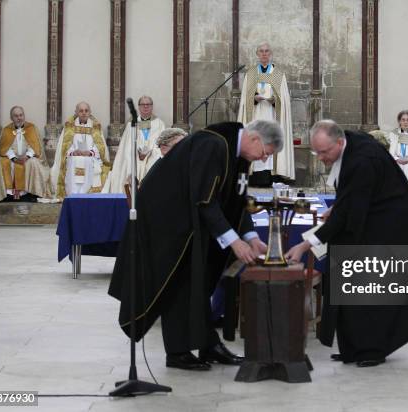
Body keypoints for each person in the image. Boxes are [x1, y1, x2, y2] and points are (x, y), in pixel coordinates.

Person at [108, 120, 283, 371]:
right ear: (255, 139)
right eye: (266, 153)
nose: (264, 160)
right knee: (178, 282)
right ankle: (178, 352)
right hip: (167, 221)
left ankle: (208, 344)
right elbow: (205, 200)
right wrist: (234, 242)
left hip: (192, 223)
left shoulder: (239, 155)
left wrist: (251, 238)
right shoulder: (212, 144)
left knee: (199, 282)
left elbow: (236, 202)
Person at [285, 120, 408, 367]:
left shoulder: (362, 160)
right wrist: (339, 206)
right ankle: (353, 347)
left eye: (324, 152)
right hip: (375, 217)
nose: (320, 158)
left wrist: (304, 246)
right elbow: (350, 198)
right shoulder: (349, 144)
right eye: (316, 152)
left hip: (391, 227)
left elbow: (346, 216)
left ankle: (371, 349)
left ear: (339, 142)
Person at [237, 42, 294, 186]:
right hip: (255, 118)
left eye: (267, 51)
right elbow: (245, 99)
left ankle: (271, 178)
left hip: (272, 116)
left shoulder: (278, 74)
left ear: (271, 54)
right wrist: (253, 99)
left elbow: (285, 101)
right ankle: (254, 177)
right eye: (261, 51)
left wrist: (275, 101)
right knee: (255, 142)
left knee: (269, 142)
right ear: (257, 54)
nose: (264, 54)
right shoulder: (250, 74)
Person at [0, 106, 50, 203]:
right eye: (16, 116)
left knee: (33, 163)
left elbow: (35, 146)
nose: (19, 118)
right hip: (11, 159)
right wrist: (14, 158)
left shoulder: (32, 128)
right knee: (2, 163)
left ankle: (32, 193)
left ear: (24, 116)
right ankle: (6, 195)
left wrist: (27, 156)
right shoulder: (6, 130)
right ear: (12, 118)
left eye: (21, 115)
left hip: (28, 158)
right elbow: (4, 148)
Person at [103, 96, 166, 193]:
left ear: (152, 107)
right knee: (130, 164)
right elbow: (127, 146)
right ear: (139, 107)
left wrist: (148, 153)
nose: (145, 107)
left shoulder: (159, 124)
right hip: (134, 157)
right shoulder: (131, 124)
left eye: (148, 104)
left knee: (154, 164)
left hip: (152, 156)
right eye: (143, 105)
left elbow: (161, 145)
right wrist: (138, 154)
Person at [50, 102, 110, 198]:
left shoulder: (95, 127)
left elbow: (100, 147)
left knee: (87, 161)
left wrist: (90, 152)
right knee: (75, 160)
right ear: (76, 112)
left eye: (86, 110)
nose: (84, 113)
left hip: (91, 158)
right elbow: (65, 146)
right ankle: (73, 193)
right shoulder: (69, 126)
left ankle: (88, 194)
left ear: (90, 112)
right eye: (81, 111)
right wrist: (74, 152)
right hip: (73, 157)